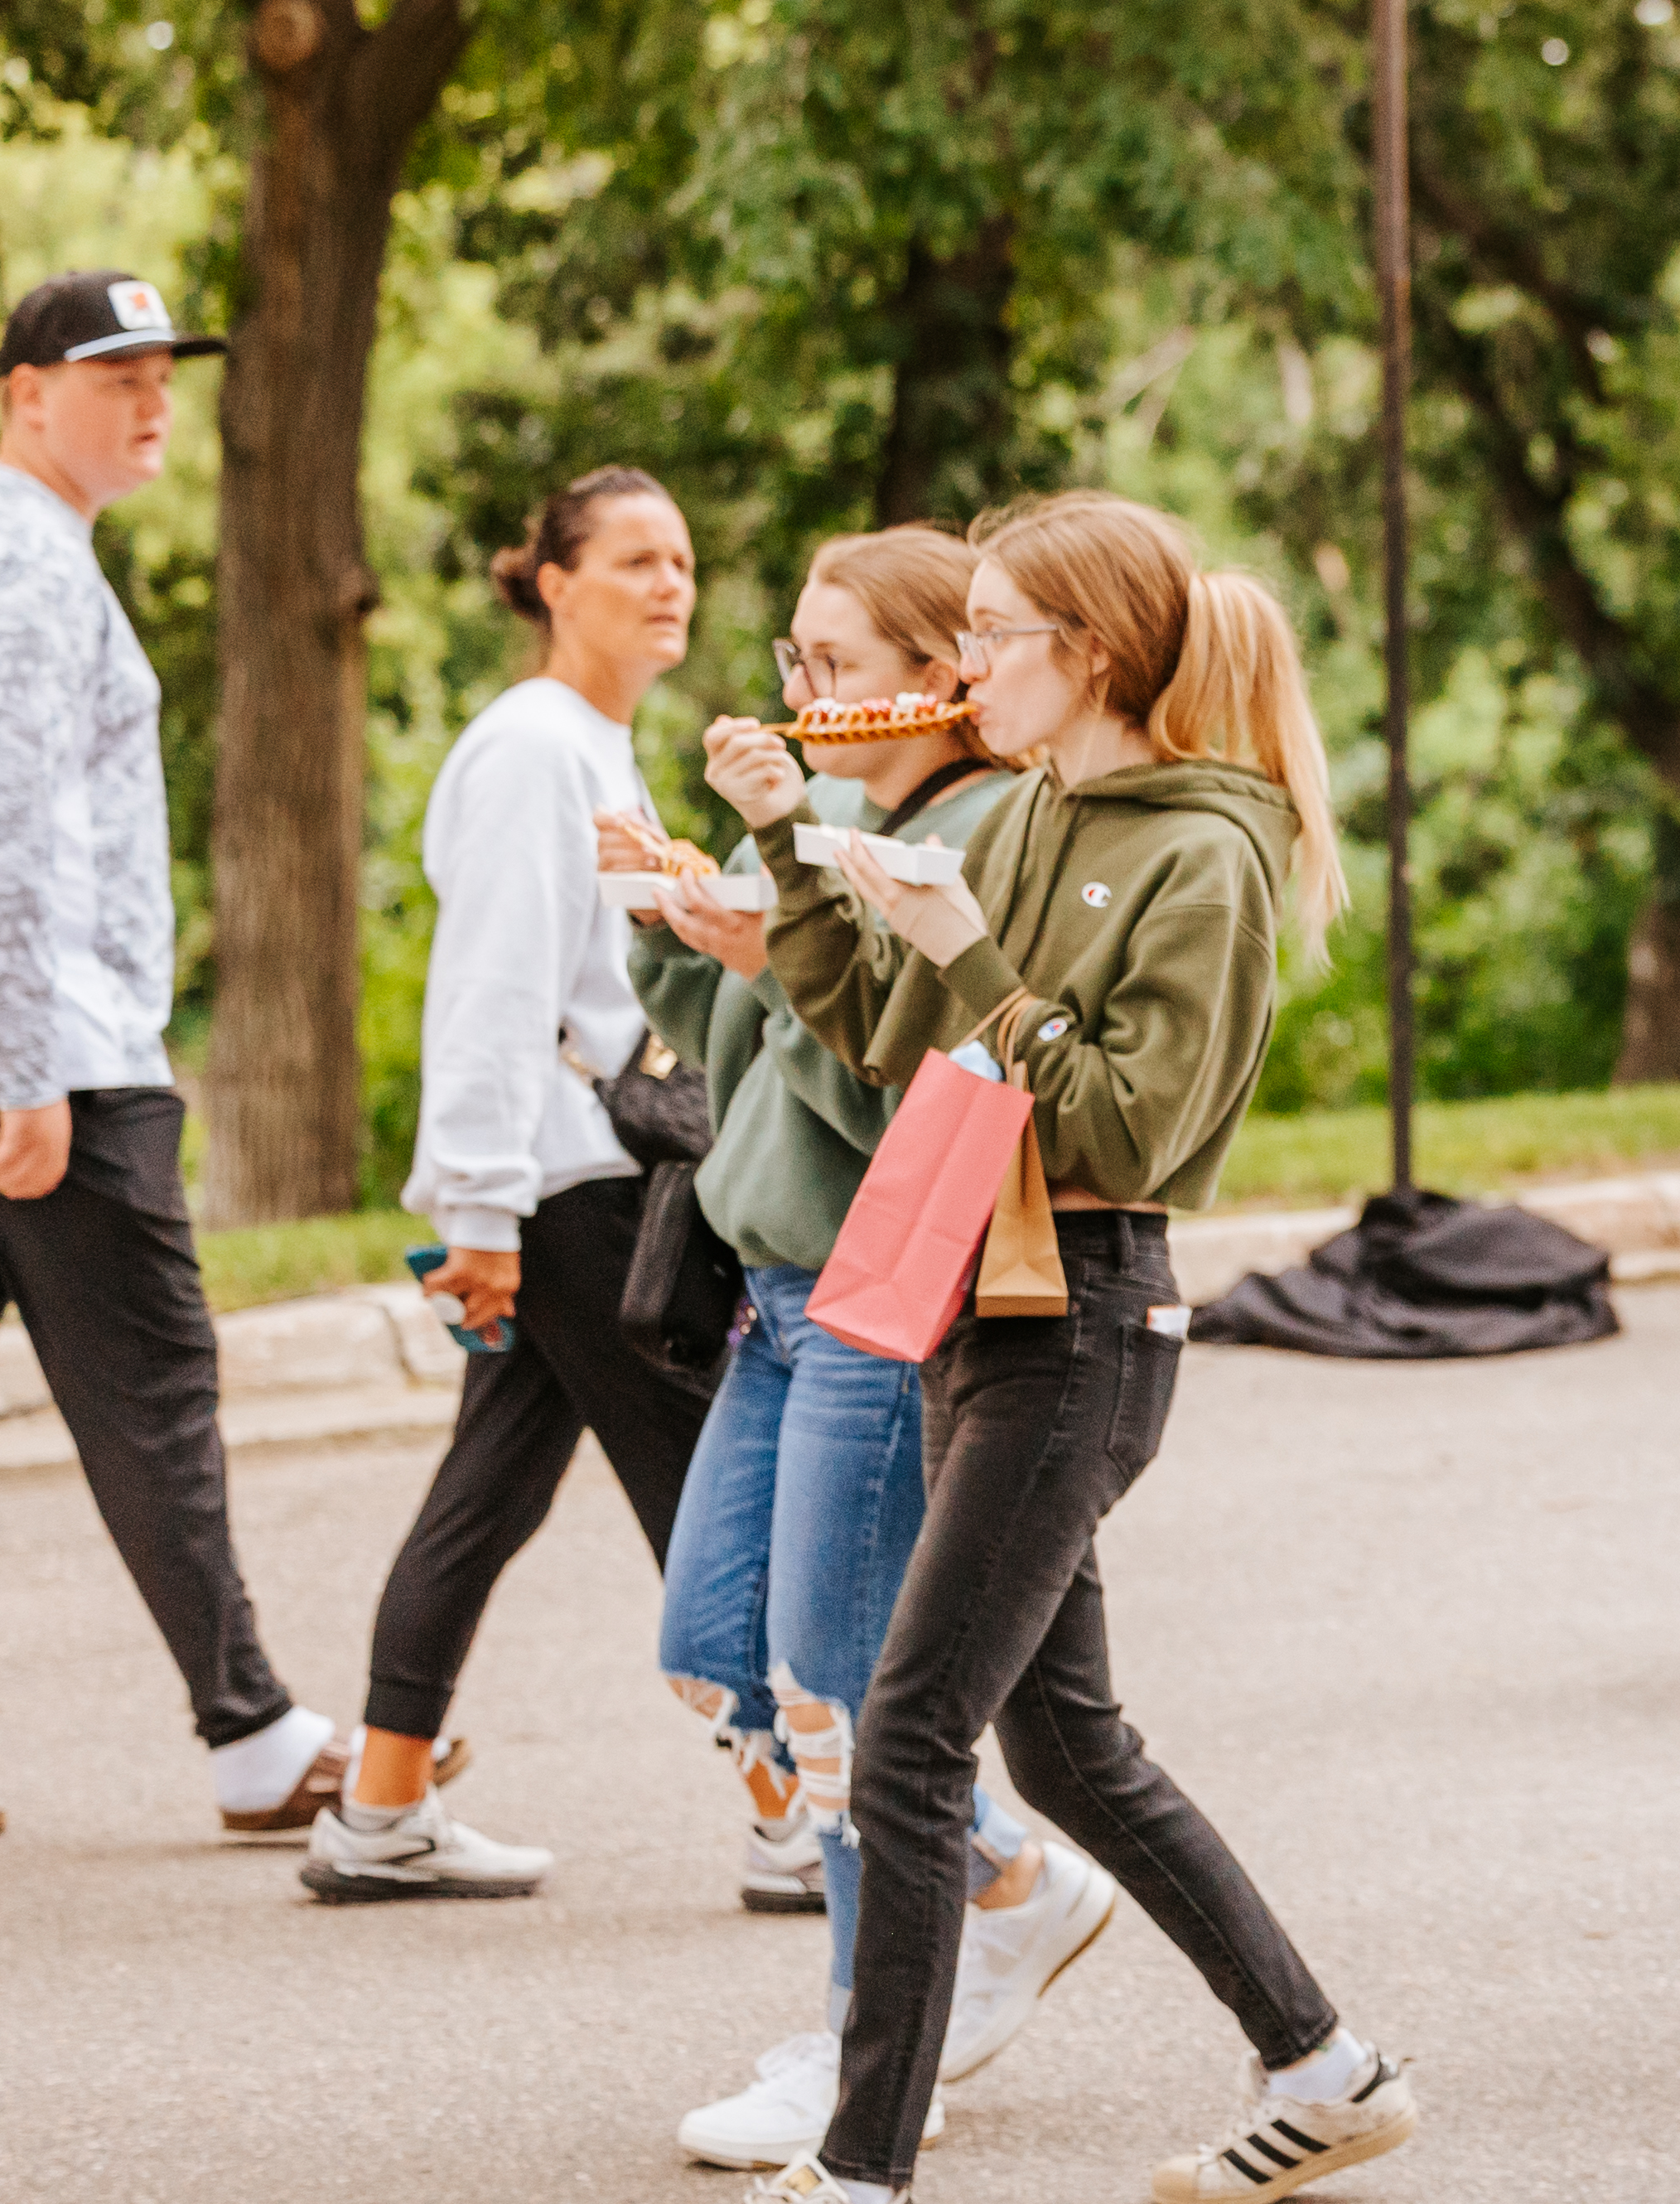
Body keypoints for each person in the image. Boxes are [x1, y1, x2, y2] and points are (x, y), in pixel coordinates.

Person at [717, 491, 1405, 2204]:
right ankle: (1328, 2069)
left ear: (1088, 654)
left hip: (1083, 1320)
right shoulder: (1029, 812)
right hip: (968, 1302)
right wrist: (803, 856)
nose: (968, 666)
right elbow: (886, 1032)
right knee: (1068, 1747)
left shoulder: (1209, 852)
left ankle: (863, 2166)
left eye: (998, 635)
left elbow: (1125, 1128)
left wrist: (977, 961)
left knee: (911, 1735)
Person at [633, 526, 1118, 2169]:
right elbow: (728, 1066)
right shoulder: (843, 819)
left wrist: (795, 943)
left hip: (873, 1293)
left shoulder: (968, 834)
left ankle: (858, 2041)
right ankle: (1008, 1873)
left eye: (836, 666)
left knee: (835, 1693)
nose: (803, 692)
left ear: (936, 677)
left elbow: (901, 1099)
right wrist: (674, 927)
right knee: (709, 1643)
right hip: (768, 1290)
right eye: (796, 663)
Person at [0, 273, 360, 1846]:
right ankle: (255, 1738)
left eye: (164, 375)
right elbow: (1, 827)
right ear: (26, 391)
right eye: (112, 375)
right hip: (40, 1056)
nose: (152, 401)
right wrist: (35, 1066)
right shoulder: (18, 561)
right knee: (155, 1389)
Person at [307, 466, 729, 1900]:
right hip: (569, 1183)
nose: (668, 583)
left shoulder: (594, 744)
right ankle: (803, 1794)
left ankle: (379, 1806)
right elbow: (489, 992)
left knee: (488, 1489)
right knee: (704, 1482)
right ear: (552, 581)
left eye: (681, 559)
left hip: (579, 1172)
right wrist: (477, 1216)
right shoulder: (534, 750)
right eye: (631, 559)